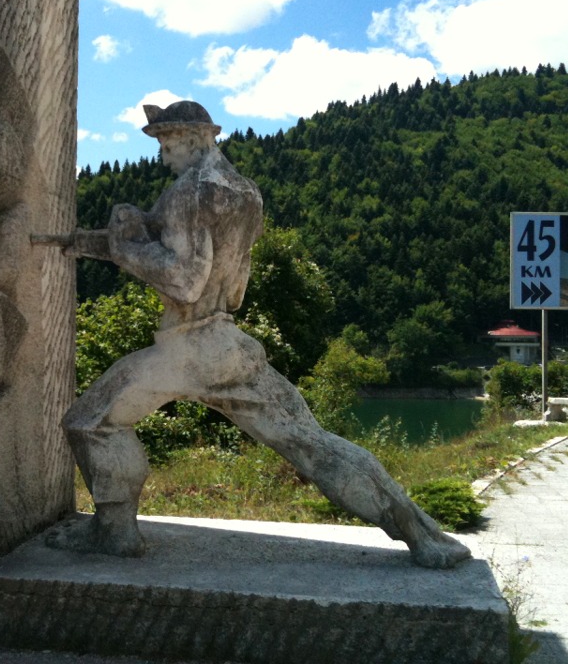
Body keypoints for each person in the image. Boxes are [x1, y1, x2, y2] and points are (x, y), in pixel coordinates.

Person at [47, 101, 471, 569]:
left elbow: (184, 280)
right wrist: (92, 242)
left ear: (196, 138)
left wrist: (126, 249)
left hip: (186, 348)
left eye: (167, 144)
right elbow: (198, 260)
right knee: (313, 443)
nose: (163, 156)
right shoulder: (244, 193)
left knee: (89, 420)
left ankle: (115, 533)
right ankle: (423, 534)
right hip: (228, 344)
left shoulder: (191, 192)